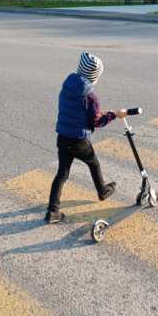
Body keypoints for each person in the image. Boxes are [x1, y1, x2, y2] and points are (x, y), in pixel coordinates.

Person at [45, 52, 129, 224]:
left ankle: (53, 211)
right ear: (94, 76)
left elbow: (77, 111)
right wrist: (114, 115)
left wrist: (97, 113)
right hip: (79, 140)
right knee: (93, 163)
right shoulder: (90, 95)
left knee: (62, 174)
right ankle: (102, 190)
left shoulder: (68, 84)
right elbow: (97, 121)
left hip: (63, 136)